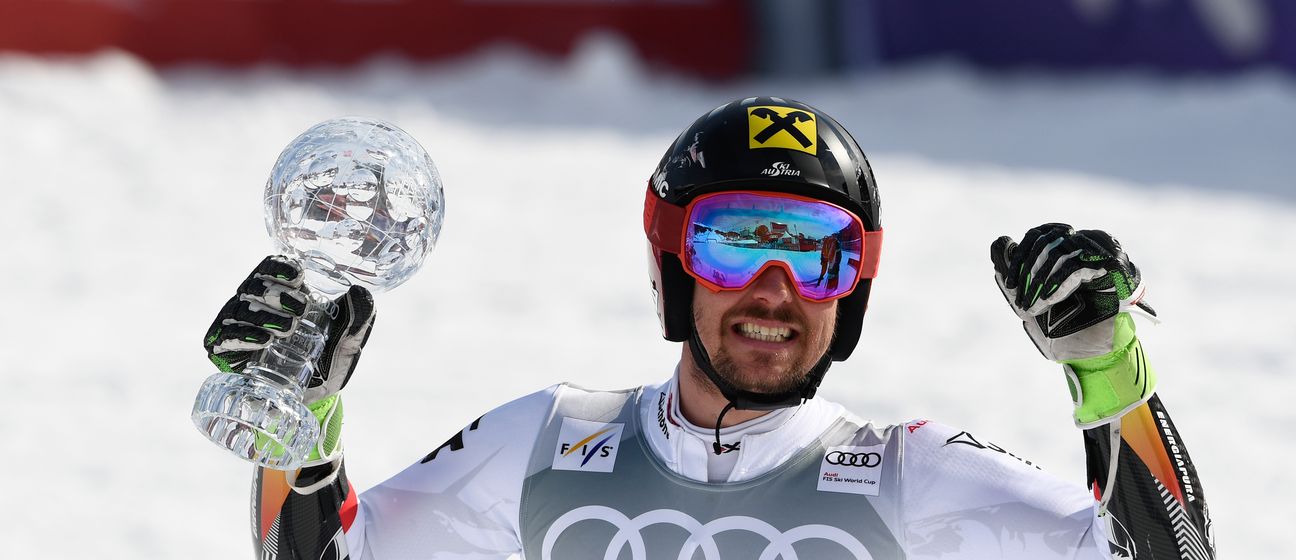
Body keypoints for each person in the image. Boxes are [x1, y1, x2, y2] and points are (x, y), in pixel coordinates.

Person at [203, 98, 1213, 559]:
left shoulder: (914, 472)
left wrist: (1105, 368)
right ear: (675, 261)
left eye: (814, 253)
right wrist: (304, 408)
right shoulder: (543, 442)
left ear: (851, 285)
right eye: (736, 244)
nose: (774, 290)